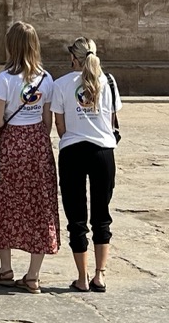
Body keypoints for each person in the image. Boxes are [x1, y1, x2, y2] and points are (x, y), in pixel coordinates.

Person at [0, 21, 60, 293]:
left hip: (13, 144)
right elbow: (47, 119)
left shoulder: (4, 79)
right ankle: (33, 275)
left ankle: (6, 268)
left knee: (7, 203)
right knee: (40, 205)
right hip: (38, 143)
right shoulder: (46, 78)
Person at [51, 37, 122, 293]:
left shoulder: (61, 84)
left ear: (74, 57)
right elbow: (112, 119)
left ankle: (82, 277)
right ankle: (100, 275)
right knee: (102, 215)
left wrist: (74, 134)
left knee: (76, 216)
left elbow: (59, 126)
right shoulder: (109, 82)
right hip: (103, 151)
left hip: (73, 151)